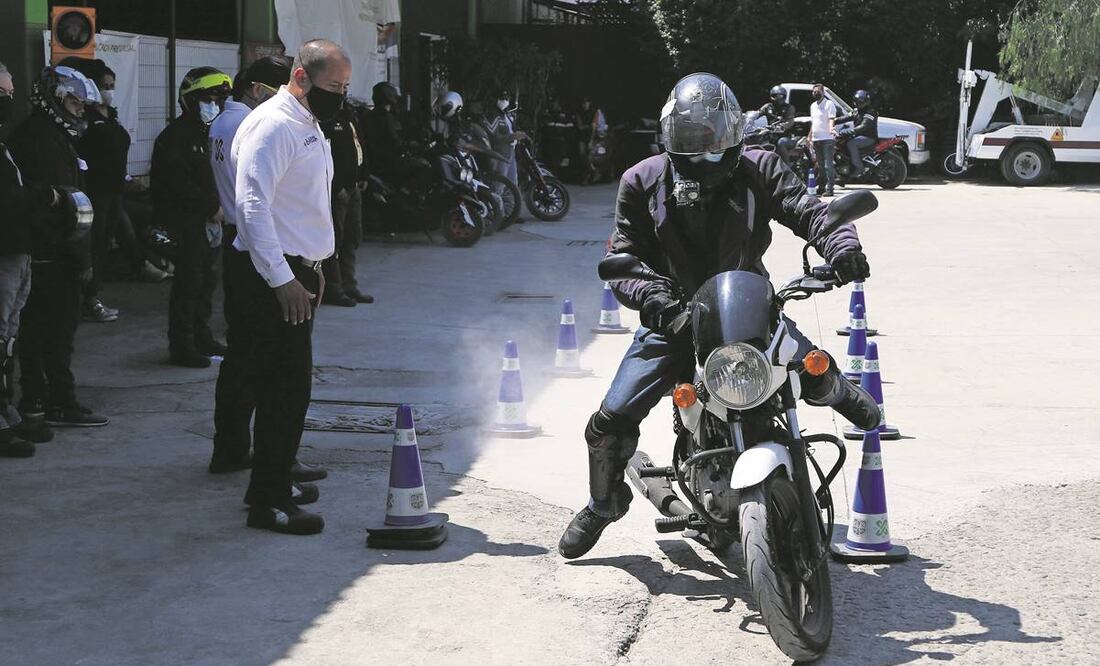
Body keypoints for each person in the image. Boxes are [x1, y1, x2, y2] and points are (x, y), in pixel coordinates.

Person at [557, 73, 872, 559]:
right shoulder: (641, 181)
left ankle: (840, 391)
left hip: (746, 309)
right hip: (674, 318)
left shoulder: (759, 167)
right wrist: (654, 299)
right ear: (670, 137)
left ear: (733, 133)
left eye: (712, 140)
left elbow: (808, 210)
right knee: (610, 420)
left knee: (810, 366)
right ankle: (604, 504)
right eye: (691, 140)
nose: (704, 153)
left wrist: (842, 246)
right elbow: (624, 256)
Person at [230, 39, 351, 535]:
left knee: (288, 389)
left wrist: (314, 265)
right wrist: (283, 279)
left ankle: (274, 478)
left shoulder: (307, 122)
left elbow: (300, 205)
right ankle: (268, 502)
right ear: (300, 77)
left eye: (345, 87)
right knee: (283, 390)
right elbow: (252, 206)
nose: (340, 96)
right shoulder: (274, 125)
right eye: (333, 87)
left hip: (297, 270)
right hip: (272, 278)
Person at [208, 55, 325, 487]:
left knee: (244, 359)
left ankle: (233, 448)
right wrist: (285, 274)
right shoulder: (262, 124)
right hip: (261, 248)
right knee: (277, 372)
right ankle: (272, 466)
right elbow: (257, 203)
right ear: (260, 89)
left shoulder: (223, 123)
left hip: (245, 243)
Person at [8, 66, 109, 428]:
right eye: (74, 103)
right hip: (52, 253)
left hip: (43, 251)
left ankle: (37, 399)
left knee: (36, 333)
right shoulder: (43, 139)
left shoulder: (41, 134)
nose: (80, 110)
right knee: (54, 334)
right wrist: (81, 259)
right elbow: (64, 206)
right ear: (55, 98)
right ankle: (56, 401)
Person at [151, 67, 231, 368]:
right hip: (186, 222)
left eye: (218, 100)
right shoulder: (177, 136)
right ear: (191, 100)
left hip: (208, 222)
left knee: (207, 281)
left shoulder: (207, 132)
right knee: (189, 283)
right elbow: (179, 183)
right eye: (208, 99)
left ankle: (201, 335)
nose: (214, 105)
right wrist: (210, 206)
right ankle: (182, 345)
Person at [0, 62, 60, 456]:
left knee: (8, 340)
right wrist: (40, 196)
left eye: (9, 93)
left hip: (16, 251)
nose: (8, 100)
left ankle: (6, 411)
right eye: (1, 94)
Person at [320, 100, 372, 307]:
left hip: (354, 188)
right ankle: (333, 288)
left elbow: (359, 146)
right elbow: (325, 156)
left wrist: (364, 174)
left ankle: (349, 284)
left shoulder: (349, 116)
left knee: (352, 237)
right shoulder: (326, 119)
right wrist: (336, 187)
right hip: (338, 191)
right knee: (335, 240)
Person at [835, 89, 879, 178]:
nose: (858, 104)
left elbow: (864, 126)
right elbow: (845, 118)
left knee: (851, 143)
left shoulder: (870, 112)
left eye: (860, 102)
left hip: (868, 137)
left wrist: (850, 131)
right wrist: (833, 121)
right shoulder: (856, 111)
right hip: (858, 135)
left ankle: (859, 168)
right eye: (857, 102)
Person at [807, 83, 837, 197]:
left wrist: (831, 129)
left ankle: (830, 188)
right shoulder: (813, 106)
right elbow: (813, 123)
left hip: (827, 138)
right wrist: (809, 136)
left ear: (823, 92)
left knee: (828, 165)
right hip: (816, 139)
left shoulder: (829, 104)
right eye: (814, 92)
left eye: (818, 92)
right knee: (820, 166)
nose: (816, 93)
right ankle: (821, 187)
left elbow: (831, 118)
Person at [757, 84, 797, 165]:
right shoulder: (768, 107)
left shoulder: (789, 107)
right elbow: (757, 114)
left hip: (785, 136)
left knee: (781, 142)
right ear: (771, 96)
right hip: (769, 134)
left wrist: (782, 127)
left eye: (780, 96)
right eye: (775, 96)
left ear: (784, 96)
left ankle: (786, 166)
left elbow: (790, 121)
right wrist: (749, 118)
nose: (778, 98)